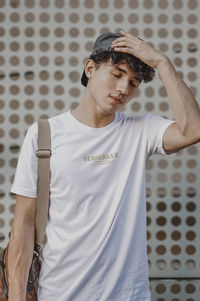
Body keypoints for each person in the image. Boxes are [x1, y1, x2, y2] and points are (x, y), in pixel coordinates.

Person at [8, 31, 200, 301]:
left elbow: (193, 130)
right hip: (60, 294)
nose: (124, 89)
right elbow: (24, 224)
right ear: (90, 68)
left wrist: (164, 64)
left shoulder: (140, 130)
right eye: (117, 74)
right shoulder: (44, 134)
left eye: (133, 82)